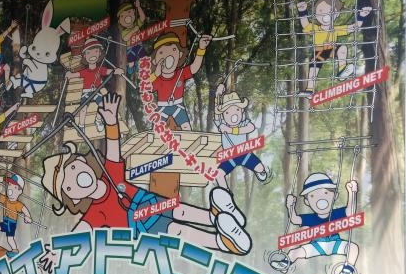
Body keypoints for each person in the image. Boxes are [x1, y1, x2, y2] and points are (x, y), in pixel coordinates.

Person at [40, 93, 252, 256]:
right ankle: (224, 243)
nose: (75, 177)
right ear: (73, 198)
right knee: (178, 231)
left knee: (182, 211)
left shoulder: (109, 173)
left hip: (149, 202)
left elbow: (113, 148)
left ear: (82, 161)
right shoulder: (95, 213)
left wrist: (111, 122)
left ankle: (217, 216)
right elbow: (78, 233)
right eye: (68, 186)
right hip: (141, 224)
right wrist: (56, 251)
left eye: (73, 167)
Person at [269, 172, 360, 274]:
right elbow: (295, 219)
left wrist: (352, 193)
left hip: (334, 243)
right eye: (312, 196)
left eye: (326, 193)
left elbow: (350, 212)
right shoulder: (311, 218)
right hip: (316, 245)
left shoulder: (336, 213)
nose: (320, 199)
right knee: (294, 252)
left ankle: (347, 271)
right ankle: (285, 263)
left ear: (334, 196)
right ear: (307, 201)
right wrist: (290, 207)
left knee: (353, 248)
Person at [297, 0, 372, 94]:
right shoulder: (315, 28)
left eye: (330, 11)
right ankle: (309, 90)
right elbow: (305, 24)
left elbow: (353, 27)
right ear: (315, 14)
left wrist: (361, 16)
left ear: (336, 14)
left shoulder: (336, 29)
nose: (325, 14)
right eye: (321, 11)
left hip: (331, 49)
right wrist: (302, 11)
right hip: (319, 52)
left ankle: (342, 70)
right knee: (313, 69)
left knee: (343, 48)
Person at [150, 32, 212, 130]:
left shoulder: (181, 72)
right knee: (156, 129)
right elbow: (146, 88)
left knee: (186, 127)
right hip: (162, 107)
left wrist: (201, 49)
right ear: (154, 60)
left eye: (174, 50)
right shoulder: (157, 79)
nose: (168, 55)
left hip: (178, 106)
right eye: (161, 53)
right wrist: (155, 74)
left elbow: (194, 67)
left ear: (180, 54)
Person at [213, 84, 270, 186]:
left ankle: (262, 172)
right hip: (230, 157)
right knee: (219, 174)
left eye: (237, 109)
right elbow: (217, 114)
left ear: (241, 111)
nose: (233, 114)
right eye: (227, 112)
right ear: (223, 115)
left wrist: (231, 130)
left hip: (244, 154)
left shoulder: (243, 123)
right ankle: (224, 191)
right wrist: (217, 95)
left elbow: (250, 127)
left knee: (260, 168)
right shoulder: (222, 124)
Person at [64, 37, 123, 132]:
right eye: (88, 53)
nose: (92, 55)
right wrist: (70, 75)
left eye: (95, 51)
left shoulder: (100, 69)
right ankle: (81, 126)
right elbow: (77, 74)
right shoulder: (85, 71)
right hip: (86, 93)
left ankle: (98, 120)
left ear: (99, 53)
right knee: (83, 108)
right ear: (84, 56)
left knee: (102, 105)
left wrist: (116, 71)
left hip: (96, 92)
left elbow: (108, 71)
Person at [0, 174, 32, 253]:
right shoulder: (6, 200)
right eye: (9, 185)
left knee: (10, 239)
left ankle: (15, 250)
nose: (10, 188)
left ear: (20, 191)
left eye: (15, 187)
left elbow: (24, 209)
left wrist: (28, 217)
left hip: (11, 223)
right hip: (6, 221)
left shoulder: (17, 204)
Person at [117, 0, 147, 73]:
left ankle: (142, 69)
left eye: (129, 12)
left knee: (144, 58)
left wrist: (138, 7)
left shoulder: (136, 23)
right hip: (130, 48)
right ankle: (132, 69)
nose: (127, 17)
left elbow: (142, 18)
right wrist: (133, 30)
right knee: (131, 62)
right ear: (119, 21)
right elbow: (125, 38)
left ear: (133, 11)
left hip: (139, 46)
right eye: (122, 16)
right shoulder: (125, 31)